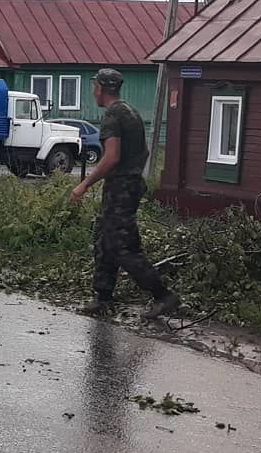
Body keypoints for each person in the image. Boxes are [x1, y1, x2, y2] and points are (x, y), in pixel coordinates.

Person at [70, 68, 179, 319]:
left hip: (120, 188)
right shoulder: (131, 112)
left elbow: (111, 157)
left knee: (121, 245)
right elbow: (144, 153)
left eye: (94, 86)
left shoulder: (112, 116)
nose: (93, 91)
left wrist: (84, 184)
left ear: (101, 88)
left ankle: (163, 295)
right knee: (105, 239)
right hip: (129, 186)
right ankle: (103, 297)